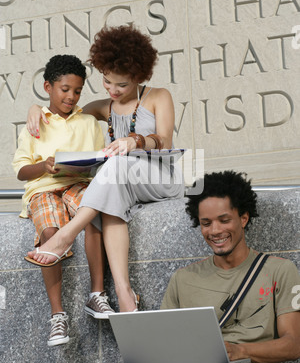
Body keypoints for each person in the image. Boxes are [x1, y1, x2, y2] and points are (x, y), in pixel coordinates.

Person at [25, 25, 185, 313]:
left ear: (139, 77)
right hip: (121, 181)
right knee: (109, 203)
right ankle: (125, 295)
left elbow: (164, 142)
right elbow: (64, 112)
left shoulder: (159, 96)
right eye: (107, 82)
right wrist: (36, 107)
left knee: (116, 165)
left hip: (159, 177)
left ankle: (65, 236)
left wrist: (134, 141)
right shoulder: (104, 107)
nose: (113, 90)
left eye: (121, 85)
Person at [98, 170, 300, 363]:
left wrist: (238, 350)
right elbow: (164, 344)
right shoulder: (183, 278)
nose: (215, 231)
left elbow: (293, 344)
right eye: (206, 223)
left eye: (224, 220)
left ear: (243, 218)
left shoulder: (280, 270)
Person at [13, 54, 114, 347]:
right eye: (64, 89)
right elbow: (21, 171)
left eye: (78, 91)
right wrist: (44, 165)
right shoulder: (35, 124)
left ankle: (97, 294)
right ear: (48, 87)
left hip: (79, 183)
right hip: (43, 188)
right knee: (49, 232)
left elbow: (102, 160)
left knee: (93, 215)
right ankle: (58, 315)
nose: (71, 96)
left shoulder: (90, 123)